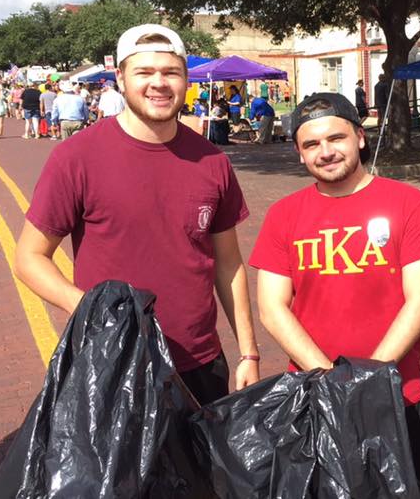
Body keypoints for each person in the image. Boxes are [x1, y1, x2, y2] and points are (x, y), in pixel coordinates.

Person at [15, 24, 260, 405]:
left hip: (199, 362)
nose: (159, 83)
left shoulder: (212, 161)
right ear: (121, 79)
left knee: (201, 466)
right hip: (114, 361)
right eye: (144, 72)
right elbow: (29, 257)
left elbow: (228, 265)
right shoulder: (76, 158)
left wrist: (248, 352)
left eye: (171, 72)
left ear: (185, 80)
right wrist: (94, 311)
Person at [250, 92, 420, 497]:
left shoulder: (409, 203)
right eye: (311, 144)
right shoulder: (283, 215)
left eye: (335, 138)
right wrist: (330, 380)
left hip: (396, 395)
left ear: (359, 137)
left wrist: (365, 382)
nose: (326, 152)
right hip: (314, 398)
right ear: (300, 153)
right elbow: (272, 308)